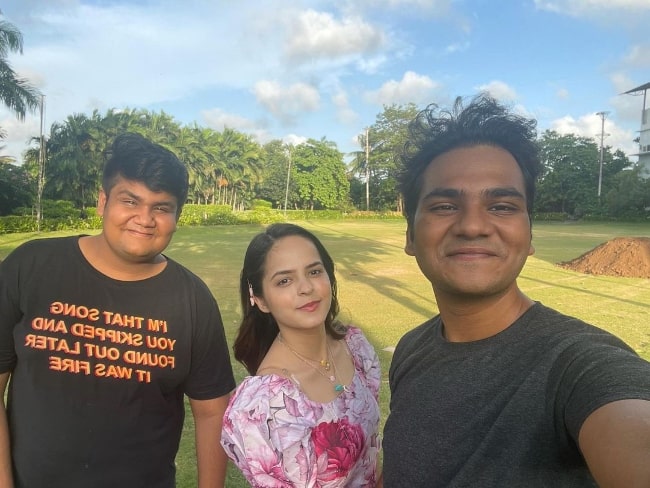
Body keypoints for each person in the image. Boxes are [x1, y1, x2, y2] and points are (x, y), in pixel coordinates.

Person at [381, 94, 650, 487]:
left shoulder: (578, 365)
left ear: (530, 234)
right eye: (443, 206)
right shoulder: (410, 349)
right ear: (409, 236)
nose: (473, 226)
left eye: (502, 206)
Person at [0, 132, 236, 488]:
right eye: (130, 201)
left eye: (161, 207)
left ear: (176, 216)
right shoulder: (31, 267)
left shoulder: (193, 300)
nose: (144, 219)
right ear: (103, 202)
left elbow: (212, 411)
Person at [221, 223, 381, 487]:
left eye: (314, 271)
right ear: (260, 299)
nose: (306, 287)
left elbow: (373, 461)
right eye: (284, 280)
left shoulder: (354, 346)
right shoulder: (264, 407)